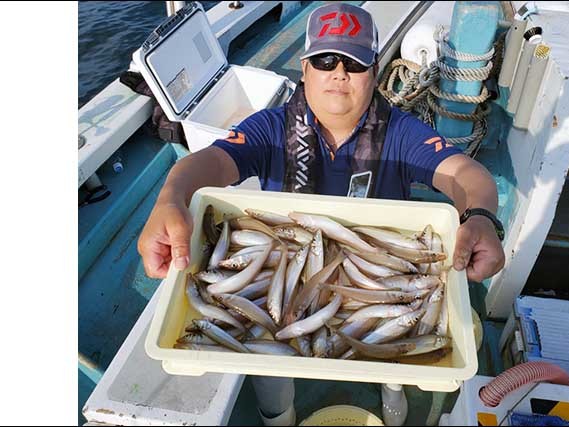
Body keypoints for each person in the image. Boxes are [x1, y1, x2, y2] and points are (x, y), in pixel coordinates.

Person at [138, 3, 505, 425]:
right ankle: (279, 416)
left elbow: (465, 173)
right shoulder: (270, 130)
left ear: (375, 69)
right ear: (305, 67)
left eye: (354, 62)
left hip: (373, 280)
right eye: (326, 60)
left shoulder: (401, 133)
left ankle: (392, 394)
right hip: (286, 292)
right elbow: (210, 164)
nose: (339, 73)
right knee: (271, 371)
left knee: (394, 351)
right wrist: (172, 196)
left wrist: (479, 216)